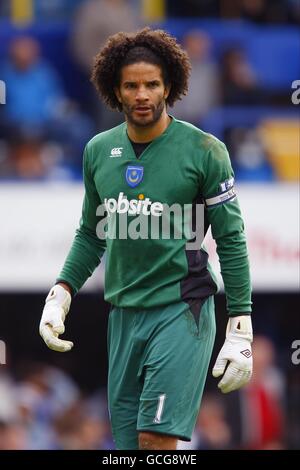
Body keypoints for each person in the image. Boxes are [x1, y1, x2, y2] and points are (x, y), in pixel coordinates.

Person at [39, 28, 253, 450]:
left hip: (181, 311)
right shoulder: (98, 150)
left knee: (156, 442)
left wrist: (241, 325)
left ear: (168, 87)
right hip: (122, 315)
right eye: (131, 85)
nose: (142, 94)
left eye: (152, 84)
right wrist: (61, 291)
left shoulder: (205, 150)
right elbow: (90, 232)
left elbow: (232, 239)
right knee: (128, 450)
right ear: (115, 92)